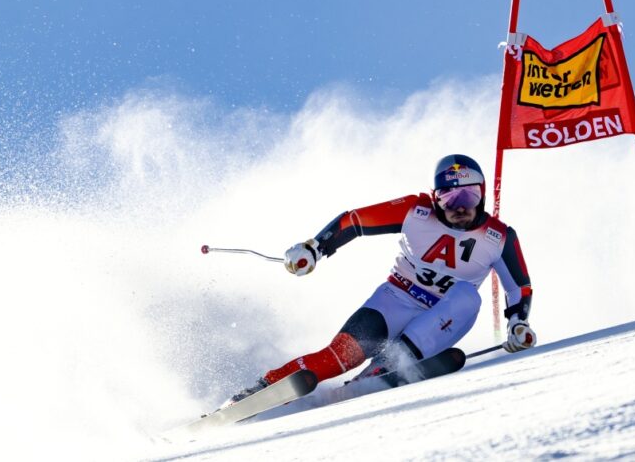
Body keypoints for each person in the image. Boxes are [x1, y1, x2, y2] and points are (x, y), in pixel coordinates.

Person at [225, 154, 535, 405]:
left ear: (482, 194)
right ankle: (257, 392)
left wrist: (517, 323)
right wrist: (316, 248)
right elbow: (354, 221)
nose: (460, 207)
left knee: (468, 296)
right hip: (393, 300)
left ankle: (381, 370)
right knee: (337, 357)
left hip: (442, 317)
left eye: (469, 195)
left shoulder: (499, 237)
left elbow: (518, 287)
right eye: (449, 197)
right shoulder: (416, 211)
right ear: (434, 198)